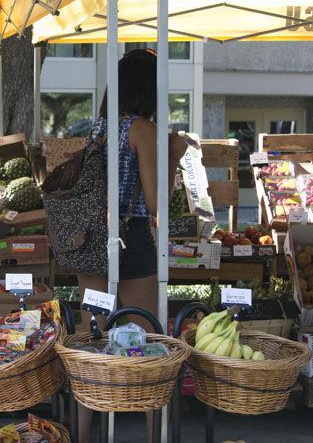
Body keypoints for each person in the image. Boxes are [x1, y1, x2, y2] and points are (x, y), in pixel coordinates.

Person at [77, 49, 188, 443]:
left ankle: (83, 435)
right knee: (145, 342)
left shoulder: (98, 128)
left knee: (92, 341)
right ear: (149, 91)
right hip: (132, 241)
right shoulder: (143, 129)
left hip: (90, 240)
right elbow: (158, 204)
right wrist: (173, 157)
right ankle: (153, 436)